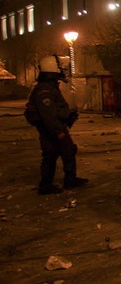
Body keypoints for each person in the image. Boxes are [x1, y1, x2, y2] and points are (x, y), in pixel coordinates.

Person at [25, 55, 87, 195]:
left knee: (65, 151)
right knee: (52, 154)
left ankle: (68, 179)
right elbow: (48, 115)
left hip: (54, 127)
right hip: (51, 129)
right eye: (59, 67)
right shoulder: (45, 90)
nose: (62, 70)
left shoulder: (49, 87)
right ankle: (47, 185)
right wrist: (58, 131)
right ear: (52, 69)